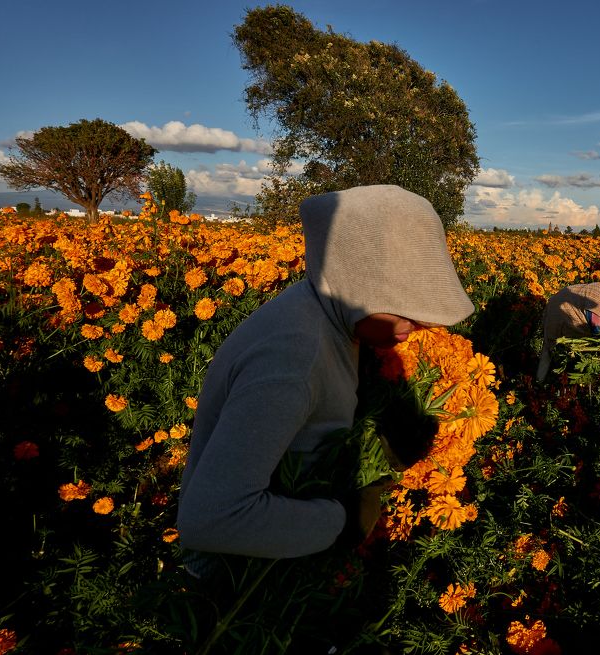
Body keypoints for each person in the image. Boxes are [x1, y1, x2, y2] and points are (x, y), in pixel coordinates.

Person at [177, 185, 474, 571]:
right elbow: (212, 520)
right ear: (355, 283)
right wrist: (342, 520)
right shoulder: (292, 361)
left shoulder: (325, 313)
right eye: (404, 305)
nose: (418, 324)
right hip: (241, 590)